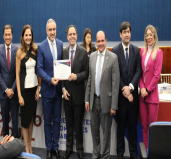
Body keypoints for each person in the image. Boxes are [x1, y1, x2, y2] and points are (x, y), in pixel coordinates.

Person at [85, 30, 120, 159]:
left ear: (106, 41)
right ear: (96, 42)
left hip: (107, 102)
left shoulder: (113, 58)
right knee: (95, 133)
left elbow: (115, 84)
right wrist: (87, 100)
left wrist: (114, 106)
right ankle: (95, 155)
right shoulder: (92, 57)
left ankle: (105, 157)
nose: (100, 43)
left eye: (102, 41)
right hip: (94, 101)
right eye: (98, 41)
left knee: (106, 135)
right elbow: (90, 79)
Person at [111, 22, 142, 159]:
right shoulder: (115, 51)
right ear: (120, 34)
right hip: (121, 99)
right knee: (121, 128)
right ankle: (120, 154)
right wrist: (124, 90)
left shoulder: (136, 50)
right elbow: (115, 73)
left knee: (133, 128)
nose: (127, 34)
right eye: (124, 32)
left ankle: (134, 154)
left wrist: (130, 88)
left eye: (128, 31)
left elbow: (138, 70)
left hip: (133, 98)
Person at [37, 18, 63, 159]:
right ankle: (48, 148)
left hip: (58, 91)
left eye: (54, 29)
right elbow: (39, 69)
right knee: (47, 121)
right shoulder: (41, 47)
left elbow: (63, 66)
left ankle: (55, 147)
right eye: (50, 30)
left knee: (57, 120)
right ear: (46, 31)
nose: (52, 32)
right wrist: (49, 80)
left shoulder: (60, 44)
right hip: (47, 91)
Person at [62, 25, 88, 159]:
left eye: (74, 34)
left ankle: (79, 149)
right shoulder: (64, 52)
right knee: (69, 125)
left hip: (79, 96)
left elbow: (87, 73)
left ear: (77, 36)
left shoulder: (83, 52)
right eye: (70, 34)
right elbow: (60, 74)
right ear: (67, 37)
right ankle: (68, 149)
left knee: (79, 125)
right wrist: (63, 89)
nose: (72, 36)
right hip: (67, 96)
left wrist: (77, 76)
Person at [16, 25, 40, 153]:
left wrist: (38, 89)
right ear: (22, 37)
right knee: (25, 121)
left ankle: (30, 144)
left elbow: (38, 71)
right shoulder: (19, 53)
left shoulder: (35, 50)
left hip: (33, 91)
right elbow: (17, 76)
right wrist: (19, 94)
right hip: (24, 92)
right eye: (26, 35)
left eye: (30, 35)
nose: (28, 37)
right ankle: (26, 147)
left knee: (31, 118)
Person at [139, 25, 163, 149]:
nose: (149, 37)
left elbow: (156, 75)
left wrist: (147, 90)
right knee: (144, 127)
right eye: (147, 35)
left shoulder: (158, 53)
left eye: (151, 35)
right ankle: (145, 153)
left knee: (152, 127)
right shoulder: (142, 51)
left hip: (152, 97)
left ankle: (152, 152)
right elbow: (140, 73)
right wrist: (142, 88)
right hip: (142, 96)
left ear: (154, 36)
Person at [0, 24, 19, 138]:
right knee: (5, 122)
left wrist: (12, 89)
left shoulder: (17, 50)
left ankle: (14, 144)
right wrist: (6, 89)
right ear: (3, 36)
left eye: (9, 34)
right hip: (3, 94)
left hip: (14, 94)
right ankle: (5, 147)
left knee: (15, 121)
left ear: (12, 35)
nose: (8, 37)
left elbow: (17, 73)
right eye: (6, 35)